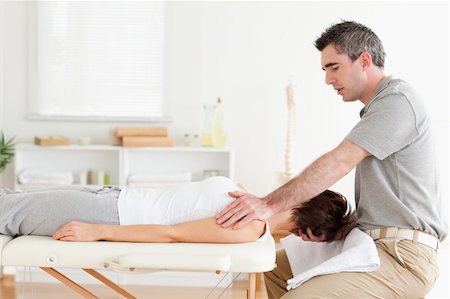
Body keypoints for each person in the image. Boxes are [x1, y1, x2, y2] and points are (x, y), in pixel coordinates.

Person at [216, 20, 447, 298]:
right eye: (325, 70)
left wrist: (267, 204)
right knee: (276, 268)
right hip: (370, 243)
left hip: (403, 257)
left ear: (364, 60)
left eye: (334, 67)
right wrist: (340, 227)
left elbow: (339, 162)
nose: (328, 79)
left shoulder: (397, 101)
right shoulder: (378, 110)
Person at [0, 176, 356, 243]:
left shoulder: (248, 228)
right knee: (9, 200)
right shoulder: (252, 201)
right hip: (113, 197)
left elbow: (170, 234)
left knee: (7, 213)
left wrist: (97, 231)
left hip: (109, 215)